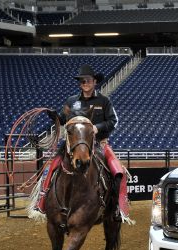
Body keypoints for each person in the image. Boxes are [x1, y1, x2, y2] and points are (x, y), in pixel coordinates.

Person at [36, 64, 129, 222]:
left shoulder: (104, 101)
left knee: (118, 172)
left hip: (99, 143)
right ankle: (42, 203)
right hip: (73, 145)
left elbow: (114, 121)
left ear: (94, 82)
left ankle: (117, 208)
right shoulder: (71, 101)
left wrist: (97, 127)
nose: (84, 83)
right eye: (82, 81)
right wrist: (55, 117)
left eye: (87, 80)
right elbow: (63, 119)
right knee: (51, 168)